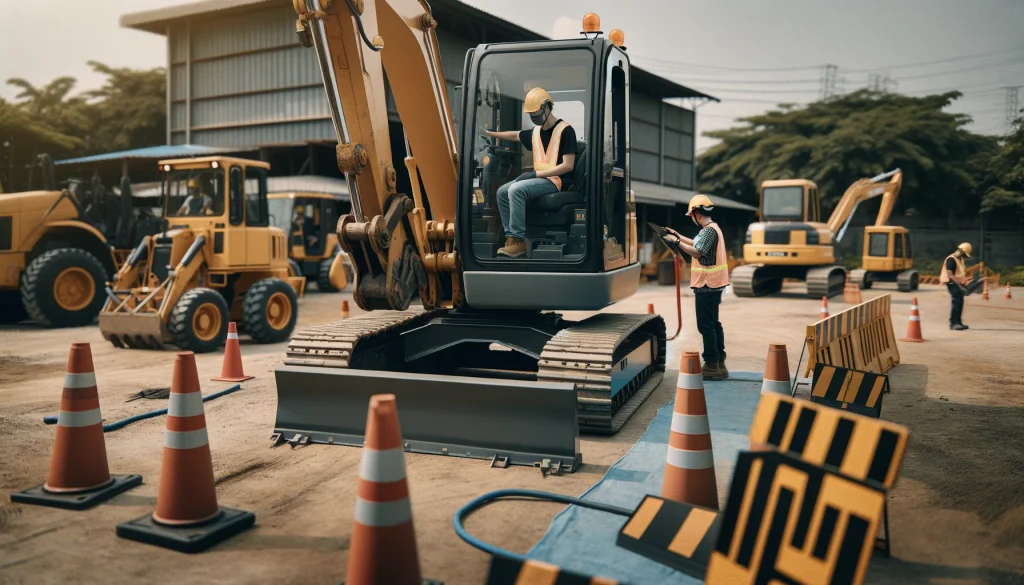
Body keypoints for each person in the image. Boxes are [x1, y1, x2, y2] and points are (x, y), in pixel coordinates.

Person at [484, 87, 577, 258]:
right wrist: (489, 133)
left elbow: (568, 166)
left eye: (537, 114)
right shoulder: (536, 133)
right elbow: (514, 135)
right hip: (540, 179)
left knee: (516, 190)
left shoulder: (566, 131)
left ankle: (518, 240)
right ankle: (510, 238)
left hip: (556, 180)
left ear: (547, 107)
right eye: (531, 116)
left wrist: (535, 175)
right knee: (502, 192)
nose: (534, 119)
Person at [663, 194, 731, 380]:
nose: (692, 219)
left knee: (706, 326)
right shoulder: (710, 230)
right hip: (712, 285)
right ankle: (718, 362)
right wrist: (677, 235)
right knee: (713, 323)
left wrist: (676, 242)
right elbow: (695, 243)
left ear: (697, 213)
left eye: (692, 215)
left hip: (707, 285)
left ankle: (711, 365)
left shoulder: (709, 231)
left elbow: (698, 251)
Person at [941, 242, 973, 330]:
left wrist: (965, 282)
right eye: (964, 254)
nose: (965, 256)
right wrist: (960, 286)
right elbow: (950, 274)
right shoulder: (951, 259)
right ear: (961, 251)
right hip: (952, 283)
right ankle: (953, 323)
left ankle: (958, 322)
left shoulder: (960, 259)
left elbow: (960, 273)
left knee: (960, 301)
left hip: (957, 283)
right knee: (956, 301)